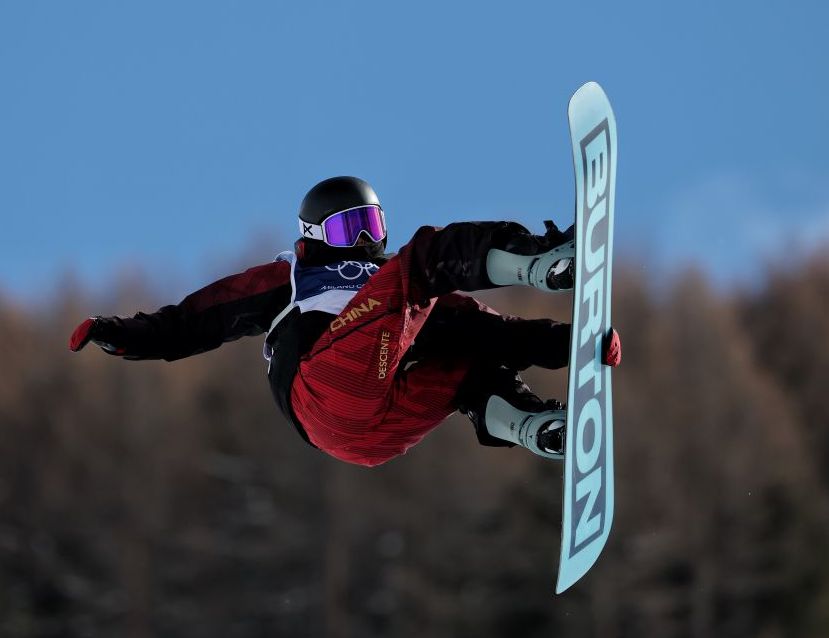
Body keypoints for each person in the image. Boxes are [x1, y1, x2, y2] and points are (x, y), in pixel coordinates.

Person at [69, 176, 621, 467]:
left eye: (368, 224)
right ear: (311, 237)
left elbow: (490, 332)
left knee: (466, 351)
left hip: (366, 437)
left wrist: (578, 344)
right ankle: (538, 262)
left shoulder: (398, 302)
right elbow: (199, 319)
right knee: (427, 260)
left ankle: (536, 429)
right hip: (322, 386)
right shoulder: (292, 274)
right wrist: (119, 334)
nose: (360, 242)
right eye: (343, 229)